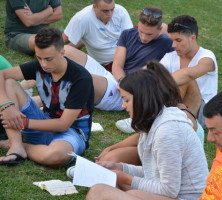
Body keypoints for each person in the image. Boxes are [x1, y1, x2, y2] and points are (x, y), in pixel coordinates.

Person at [86, 69, 208, 200]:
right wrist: (119, 167)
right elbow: (153, 173)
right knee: (104, 183)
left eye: (126, 100)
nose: (123, 105)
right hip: (172, 193)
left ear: (141, 99)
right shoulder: (153, 122)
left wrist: (126, 178)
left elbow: (169, 190)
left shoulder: (167, 132)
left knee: (101, 191)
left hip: (187, 197)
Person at [0, 27, 94, 168]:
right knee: (9, 83)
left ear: (62, 51)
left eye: (49, 59)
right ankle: (16, 146)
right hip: (43, 121)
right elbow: (2, 74)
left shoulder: (81, 78)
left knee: (55, 156)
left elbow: (63, 124)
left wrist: (23, 123)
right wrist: (6, 105)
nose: (43, 64)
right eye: (39, 58)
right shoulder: (40, 65)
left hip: (71, 133)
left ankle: (15, 144)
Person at [93, 60, 204, 165]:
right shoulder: (157, 111)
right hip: (156, 151)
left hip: (172, 160)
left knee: (112, 159)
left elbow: (170, 168)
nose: (123, 105)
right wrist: (111, 148)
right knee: (109, 157)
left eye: (127, 100)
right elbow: (142, 135)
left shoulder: (178, 119)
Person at [161, 15, 218, 128]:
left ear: (193, 38)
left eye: (178, 40)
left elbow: (189, 74)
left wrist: (158, 85)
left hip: (204, 113)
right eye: (172, 40)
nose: (173, 45)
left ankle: (156, 115)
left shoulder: (207, 57)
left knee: (186, 79)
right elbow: (150, 74)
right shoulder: (169, 56)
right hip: (179, 107)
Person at [63, 0, 133, 71]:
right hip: (106, 63)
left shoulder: (121, 12)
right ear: (94, 7)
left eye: (112, 9)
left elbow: (130, 39)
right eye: (105, 11)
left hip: (126, 57)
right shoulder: (82, 18)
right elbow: (62, 41)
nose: (110, 14)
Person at [112, 6, 173, 82]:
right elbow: (117, 65)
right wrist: (122, 81)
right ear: (138, 24)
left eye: (149, 34)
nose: (144, 37)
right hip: (120, 80)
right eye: (141, 31)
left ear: (160, 29)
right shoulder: (127, 34)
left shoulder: (167, 43)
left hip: (144, 86)